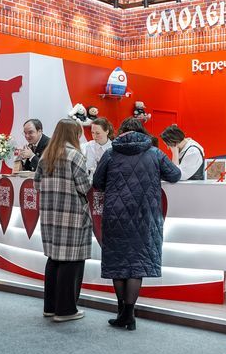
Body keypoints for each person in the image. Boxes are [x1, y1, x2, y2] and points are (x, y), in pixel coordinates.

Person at [93, 118, 181, 330]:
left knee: (118, 264)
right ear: (143, 132)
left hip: (116, 215)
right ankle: (129, 314)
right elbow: (175, 175)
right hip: (145, 216)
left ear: (121, 132)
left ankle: (121, 312)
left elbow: (97, 182)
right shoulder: (155, 153)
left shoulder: (110, 153)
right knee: (137, 264)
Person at [34, 119, 92, 322]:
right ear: (73, 134)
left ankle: (50, 307)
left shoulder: (46, 155)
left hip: (50, 214)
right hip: (71, 214)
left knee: (54, 259)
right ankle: (66, 310)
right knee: (71, 260)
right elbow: (84, 187)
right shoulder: (75, 155)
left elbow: (37, 184)